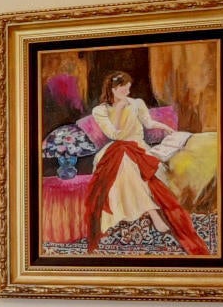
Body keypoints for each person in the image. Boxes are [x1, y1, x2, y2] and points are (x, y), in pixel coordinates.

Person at [81, 71, 208, 256]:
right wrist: (118, 110)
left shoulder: (137, 103)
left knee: (129, 161)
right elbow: (115, 134)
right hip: (117, 147)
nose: (127, 92)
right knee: (124, 159)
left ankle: (150, 212)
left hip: (138, 146)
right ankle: (153, 214)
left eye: (128, 88)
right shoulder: (100, 111)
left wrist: (165, 127)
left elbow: (148, 123)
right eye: (122, 88)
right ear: (113, 89)